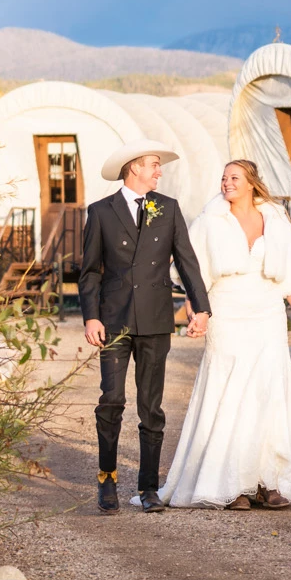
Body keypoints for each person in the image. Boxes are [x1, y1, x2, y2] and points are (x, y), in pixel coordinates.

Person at [159, 159, 291, 510]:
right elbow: (193, 275)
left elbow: (290, 282)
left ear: (251, 183)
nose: (226, 182)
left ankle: (270, 483)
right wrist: (197, 314)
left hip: (266, 314)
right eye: (223, 178)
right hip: (227, 312)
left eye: (234, 177)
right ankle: (233, 486)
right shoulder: (209, 221)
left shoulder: (275, 221)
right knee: (229, 392)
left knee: (268, 395)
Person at [79, 140, 211, 514]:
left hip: (154, 319)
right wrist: (91, 316)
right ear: (134, 167)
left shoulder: (167, 208)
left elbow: (187, 262)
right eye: (154, 164)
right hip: (114, 321)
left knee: (151, 407)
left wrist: (201, 308)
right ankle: (107, 480)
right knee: (112, 400)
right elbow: (89, 272)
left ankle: (149, 488)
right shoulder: (101, 211)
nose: (159, 170)